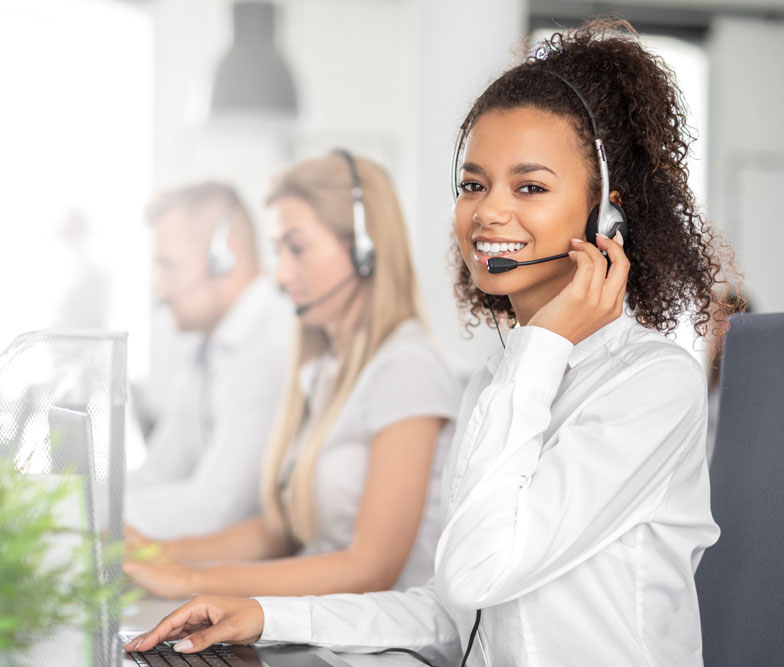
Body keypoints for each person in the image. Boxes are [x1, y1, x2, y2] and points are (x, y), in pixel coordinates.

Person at [126, 20, 739, 666]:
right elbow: (454, 609)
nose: (489, 212)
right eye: (474, 184)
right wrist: (261, 614)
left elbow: (480, 569)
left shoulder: (651, 385)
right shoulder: (498, 381)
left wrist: (545, 342)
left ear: (604, 216)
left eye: (529, 186)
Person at [124, 152, 460, 598]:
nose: (280, 276)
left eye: (297, 249)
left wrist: (193, 580)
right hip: (321, 628)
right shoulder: (325, 370)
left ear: (365, 251)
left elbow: (370, 569)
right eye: (278, 250)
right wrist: (155, 556)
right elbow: (282, 532)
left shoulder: (406, 370)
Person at [126, 182, 292, 539]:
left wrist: (81, 519)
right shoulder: (205, 342)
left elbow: (216, 508)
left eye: (169, 267)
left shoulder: (270, 342)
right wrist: (61, 505)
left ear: (224, 259)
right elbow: (160, 471)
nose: (160, 290)